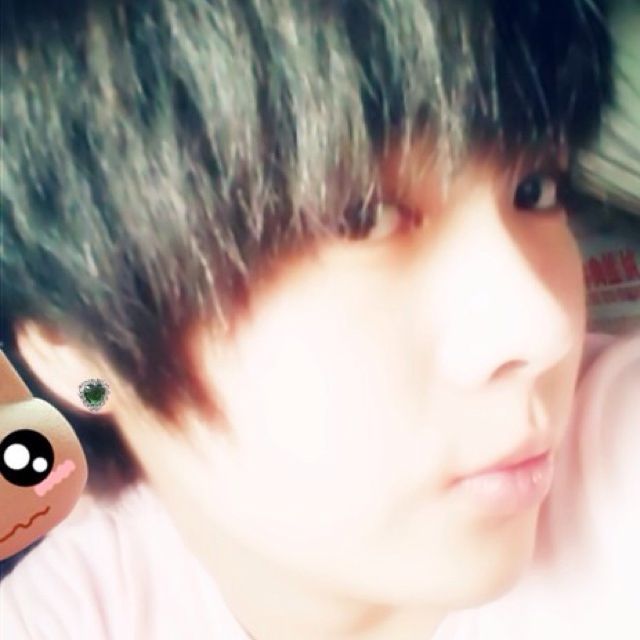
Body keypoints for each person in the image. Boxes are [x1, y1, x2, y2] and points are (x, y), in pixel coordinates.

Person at [1, 0, 638, 638]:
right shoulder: (66, 613)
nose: (547, 324)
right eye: (359, 216)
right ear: (83, 351)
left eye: (535, 189)